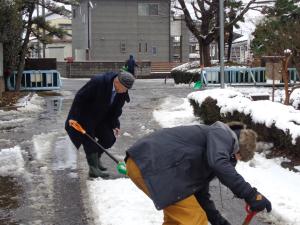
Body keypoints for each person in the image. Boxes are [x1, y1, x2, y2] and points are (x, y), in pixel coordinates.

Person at [125, 121, 272, 225]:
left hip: (145, 164)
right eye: (239, 157)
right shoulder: (223, 135)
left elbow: (201, 197)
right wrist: (251, 194)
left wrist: (219, 222)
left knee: (177, 220)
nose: (235, 161)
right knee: (195, 219)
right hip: (152, 164)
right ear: (237, 149)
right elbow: (219, 163)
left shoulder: (210, 151)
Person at [65, 70, 135, 178]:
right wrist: (74, 118)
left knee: (109, 139)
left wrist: (115, 124)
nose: (125, 91)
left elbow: (116, 110)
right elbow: (80, 97)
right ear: (117, 83)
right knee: (90, 140)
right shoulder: (99, 82)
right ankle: (93, 169)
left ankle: (96, 159)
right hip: (85, 116)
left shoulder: (121, 93)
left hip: (101, 118)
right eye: (125, 88)